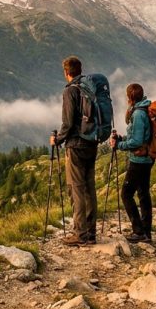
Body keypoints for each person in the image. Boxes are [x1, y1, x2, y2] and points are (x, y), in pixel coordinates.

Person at [50, 56, 98, 246]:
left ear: (66, 72)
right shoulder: (88, 88)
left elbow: (68, 122)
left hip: (76, 146)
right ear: (80, 69)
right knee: (89, 188)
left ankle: (80, 233)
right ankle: (91, 231)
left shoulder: (70, 91)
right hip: (91, 143)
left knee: (76, 189)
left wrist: (58, 139)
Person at [110, 83, 154, 243]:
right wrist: (122, 138)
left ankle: (138, 231)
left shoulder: (138, 115)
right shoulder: (145, 109)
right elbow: (138, 137)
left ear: (129, 98)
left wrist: (120, 145)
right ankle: (146, 232)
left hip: (139, 160)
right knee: (143, 194)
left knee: (126, 194)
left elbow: (136, 141)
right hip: (147, 159)